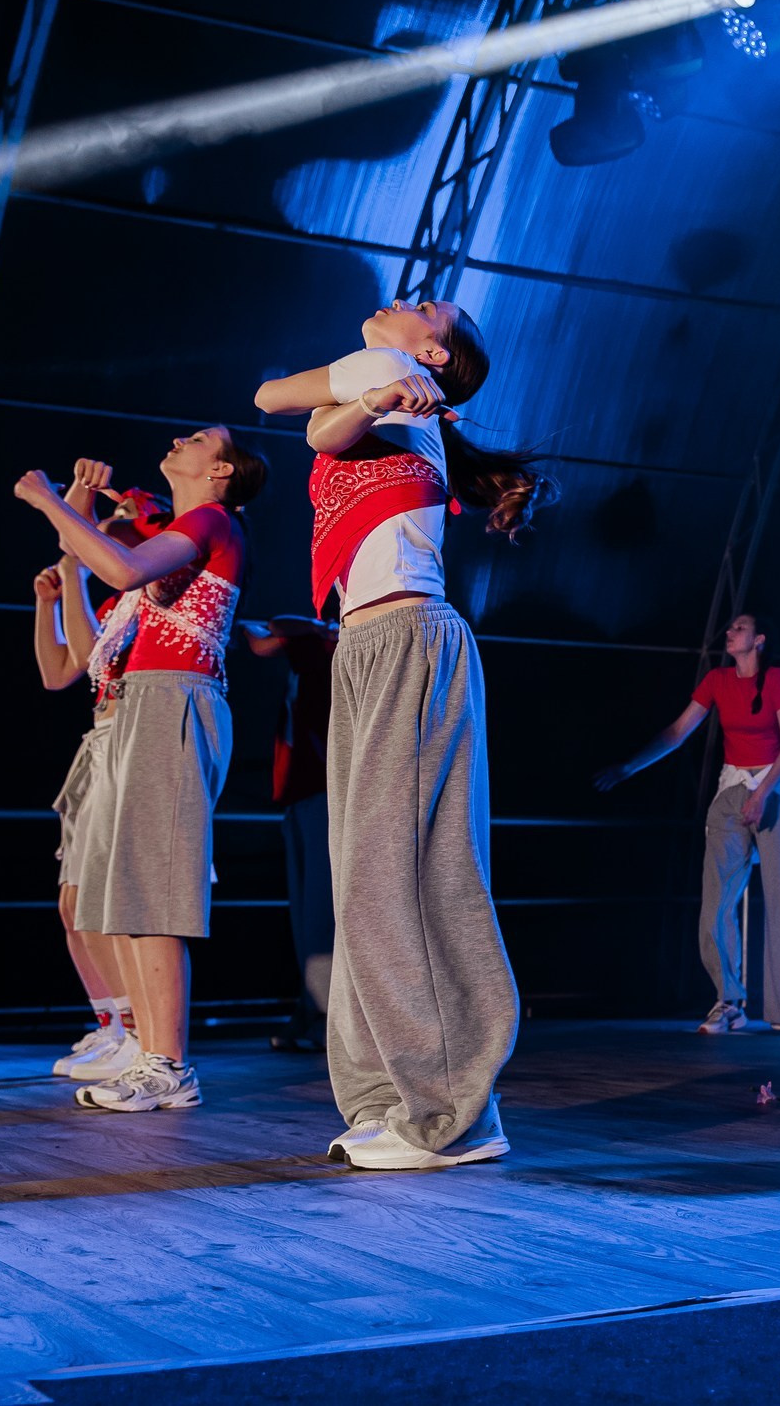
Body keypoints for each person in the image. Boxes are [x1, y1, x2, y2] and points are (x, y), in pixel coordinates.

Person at [253, 297, 549, 1170]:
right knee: (365, 883)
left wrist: (380, 402)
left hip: (410, 635)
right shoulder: (378, 377)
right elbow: (276, 398)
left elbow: (311, 434)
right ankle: (391, 1097)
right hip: (367, 645)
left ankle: (457, 1116)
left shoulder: (398, 373)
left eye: (429, 309)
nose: (406, 298)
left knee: (408, 877)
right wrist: (370, 404)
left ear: (432, 349)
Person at [15, 429, 265, 1113]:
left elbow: (118, 569)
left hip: (173, 701)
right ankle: (149, 1053)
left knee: (152, 892)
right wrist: (71, 515)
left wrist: (46, 499)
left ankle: (168, 1063)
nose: (180, 438)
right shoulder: (184, 533)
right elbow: (97, 590)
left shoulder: (212, 520)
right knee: (129, 894)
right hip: (142, 706)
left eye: (200, 438)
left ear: (219, 469)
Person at [595, 613, 780, 1034]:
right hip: (732, 790)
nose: (729, 633)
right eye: (729, 627)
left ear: (760, 640)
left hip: (774, 789)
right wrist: (629, 767)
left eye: (739, 628)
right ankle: (728, 1001)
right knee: (716, 903)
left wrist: (762, 794)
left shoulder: (777, 680)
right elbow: (677, 731)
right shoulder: (717, 680)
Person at [29, 463, 166, 1083]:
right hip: (103, 736)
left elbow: (76, 660)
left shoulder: (155, 587)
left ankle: (135, 1031)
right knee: (72, 902)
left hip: (133, 732)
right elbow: (61, 672)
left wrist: (74, 545)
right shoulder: (117, 603)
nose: (100, 534)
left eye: (114, 527)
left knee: (100, 899)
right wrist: (51, 599)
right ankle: (113, 1023)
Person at [236, 613, 339, 1053]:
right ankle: (311, 1010)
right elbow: (255, 632)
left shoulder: (340, 650)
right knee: (305, 917)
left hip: (329, 793)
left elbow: (264, 638)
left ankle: (328, 1021)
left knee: (321, 915)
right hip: (298, 793)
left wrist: (317, 634)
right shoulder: (312, 645)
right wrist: (313, 630)